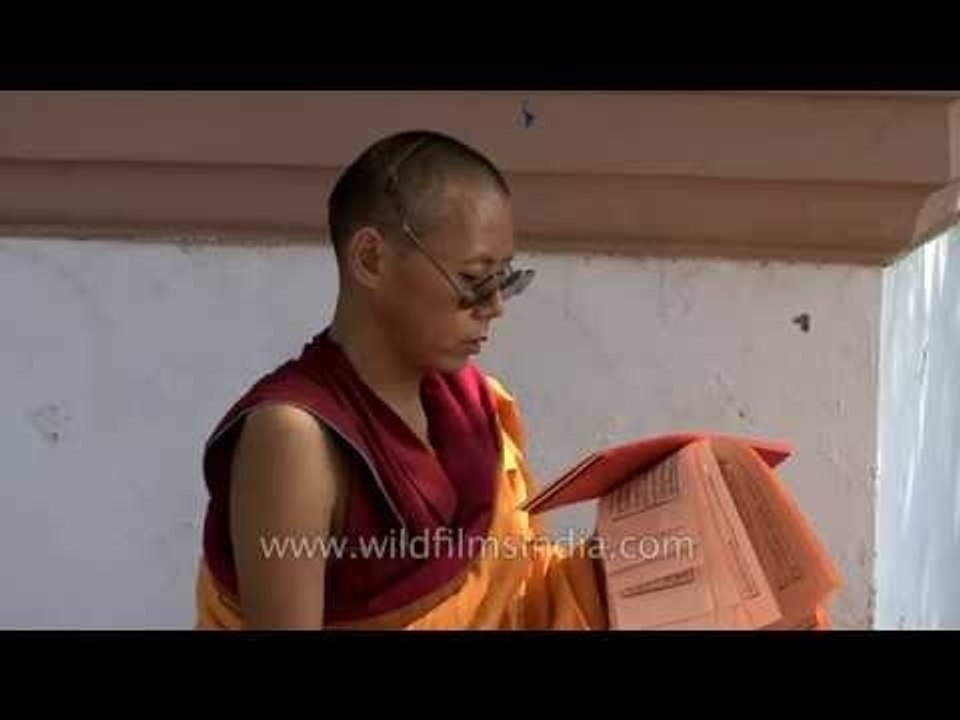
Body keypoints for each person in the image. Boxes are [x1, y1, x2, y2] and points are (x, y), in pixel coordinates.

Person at [194, 130, 608, 630]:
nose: (495, 306)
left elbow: (526, 594)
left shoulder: (473, 404)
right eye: (475, 279)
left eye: (504, 279)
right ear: (371, 259)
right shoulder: (294, 438)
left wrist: (619, 567)